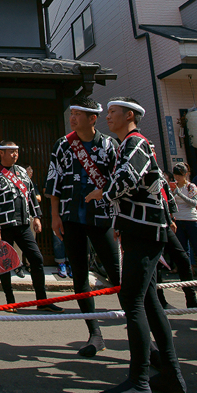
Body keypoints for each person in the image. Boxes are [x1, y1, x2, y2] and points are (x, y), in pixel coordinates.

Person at [86, 98, 186, 393]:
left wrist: (100, 192)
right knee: (149, 301)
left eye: (113, 112)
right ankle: (171, 376)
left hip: (144, 230)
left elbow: (126, 180)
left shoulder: (134, 143)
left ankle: (140, 382)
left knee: (132, 300)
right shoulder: (130, 144)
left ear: (130, 115)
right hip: (141, 228)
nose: (108, 118)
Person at [46, 96, 121, 357]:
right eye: (72, 112)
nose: (73, 117)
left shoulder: (110, 145)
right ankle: (94, 333)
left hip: (102, 217)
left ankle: (139, 331)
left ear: (93, 118)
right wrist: (54, 216)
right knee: (79, 276)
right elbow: (53, 181)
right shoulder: (63, 145)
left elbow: (118, 182)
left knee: (117, 273)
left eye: (79, 114)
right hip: (70, 217)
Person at [0, 141, 62, 312]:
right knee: (5, 263)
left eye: (16, 152)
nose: (15, 155)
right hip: (4, 225)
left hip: (24, 223)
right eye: (11, 152)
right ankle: (10, 301)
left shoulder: (22, 172)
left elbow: (31, 194)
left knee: (37, 259)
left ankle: (42, 300)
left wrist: (37, 217)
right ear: (1, 153)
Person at [170, 163, 197, 280]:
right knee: (183, 251)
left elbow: (193, 203)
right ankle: (187, 276)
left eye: (180, 175)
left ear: (185, 175)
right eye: (175, 175)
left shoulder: (191, 187)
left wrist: (179, 194)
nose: (177, 178)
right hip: (178, 220)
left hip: (191, 220)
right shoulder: (172, 187)